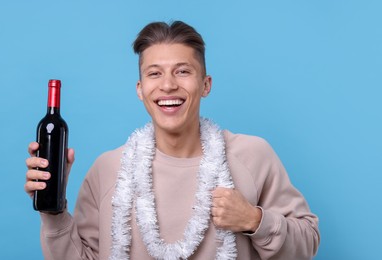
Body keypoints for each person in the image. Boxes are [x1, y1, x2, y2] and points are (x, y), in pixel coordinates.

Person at [25, 21, 320, 259]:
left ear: (205, 84)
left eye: (183, 71)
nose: (168, 85)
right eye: (155, 74)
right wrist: (54, 211)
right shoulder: (109, 169)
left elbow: (308, 243)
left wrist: (255, 220)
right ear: (140, 89)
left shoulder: (253, 156)